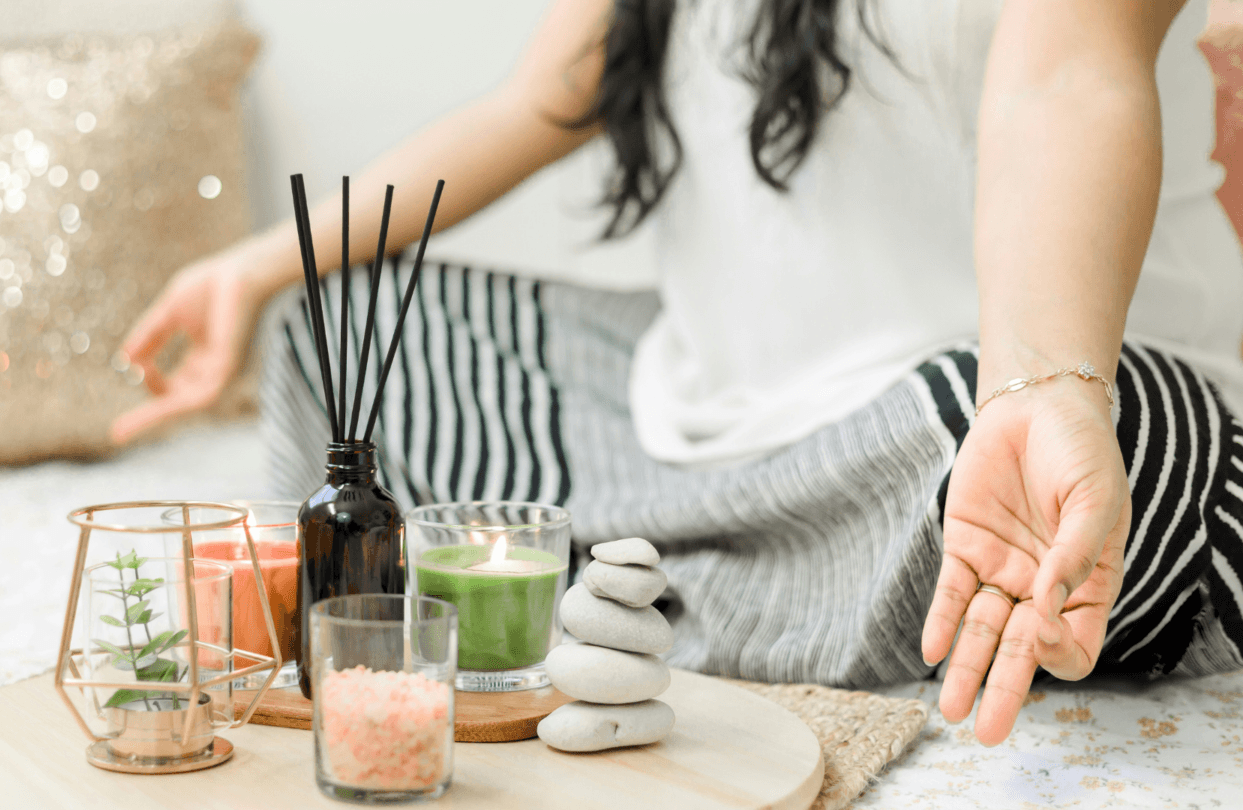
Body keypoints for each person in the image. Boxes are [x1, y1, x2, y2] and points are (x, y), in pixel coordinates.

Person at [112, 0, 1243, 746]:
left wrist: (1043, 386)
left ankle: (634, 592)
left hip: (985, 416)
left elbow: (1065, 77)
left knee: (1130, 456)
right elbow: (539, 101)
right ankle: (725, 590)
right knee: (345, 325)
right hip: (693, 421)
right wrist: (254, 269)